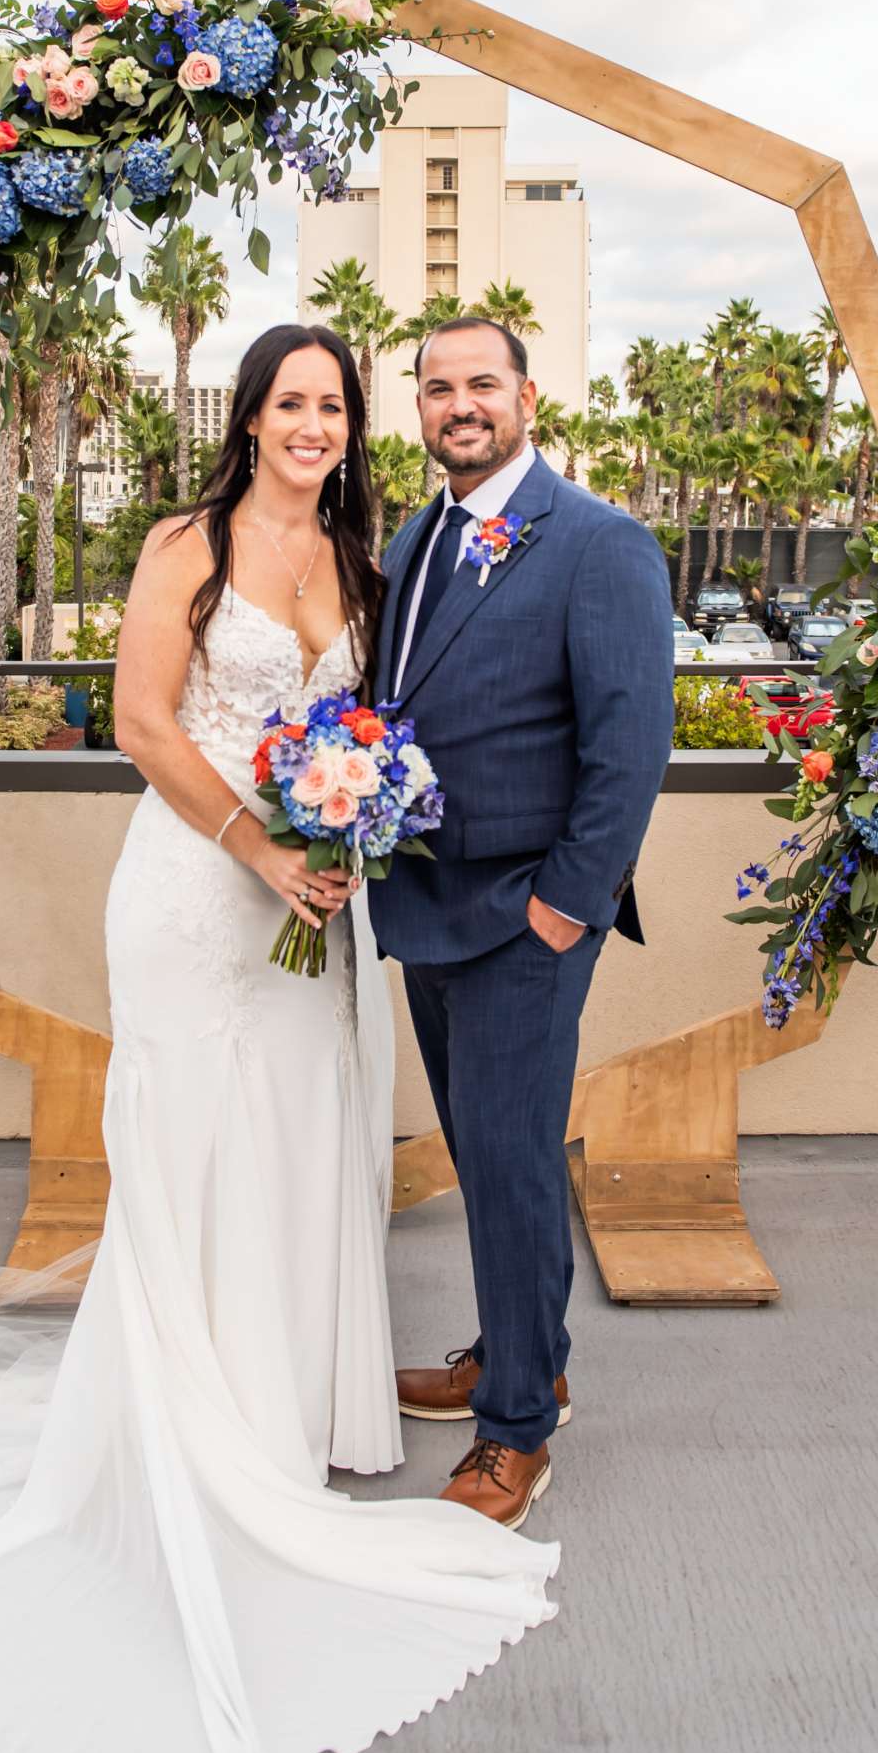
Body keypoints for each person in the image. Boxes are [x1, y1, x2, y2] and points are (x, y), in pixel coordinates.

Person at [0, 322, 557, 1753]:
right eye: (292, 401)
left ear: (357, 425)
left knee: (304, 1139)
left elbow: (372, 725)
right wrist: (262, 846)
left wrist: (343, 835)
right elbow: (143, 722)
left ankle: (292, 1417)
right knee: (197, 1141)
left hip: (318, 910)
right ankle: (187, 1429)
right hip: (193, 897)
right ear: (251, 416)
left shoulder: (367, 563)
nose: (314, 424)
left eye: (335, 405)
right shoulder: (186, 545)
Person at [370, 317, 674, 1530]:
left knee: (502, 1163)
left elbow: (629, 750)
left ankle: (514, 1438)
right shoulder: (415, 533)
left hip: (523, 915)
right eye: (437, 387)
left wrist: (565, 907)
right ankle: (515, 1358)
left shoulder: (598, 543)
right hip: (425, 905)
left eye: (479, 384)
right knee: (493, 1158)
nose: (458, 404)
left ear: (526, 397)